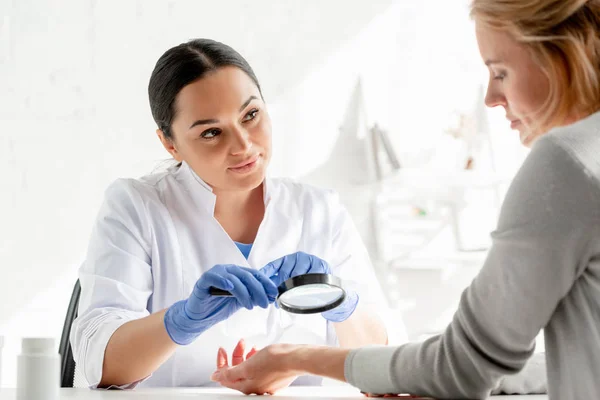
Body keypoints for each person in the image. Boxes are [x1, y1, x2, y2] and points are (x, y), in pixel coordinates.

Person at [210, 1, 600, 399]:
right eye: (211, 132)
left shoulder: (565, 163)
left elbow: (461, 366)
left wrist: (292, 357)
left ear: (563, 56)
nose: (490, 96)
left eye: (501, 71)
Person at [70, 38, 404, 389]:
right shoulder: (137, 206)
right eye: (211, 132)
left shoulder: (318, 211)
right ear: (170, 144)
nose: (244, 145)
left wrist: (341, 305)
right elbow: (100, 363)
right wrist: (180, 322)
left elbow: (385, 363)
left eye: (251, 115)